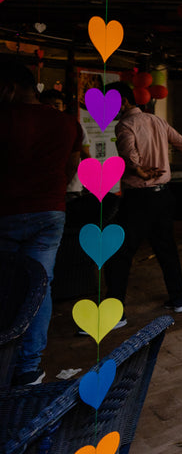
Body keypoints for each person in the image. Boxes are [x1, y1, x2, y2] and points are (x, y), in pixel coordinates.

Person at [0, 62, 83, 385]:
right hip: (51, 211)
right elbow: (71, 167)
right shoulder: (66, 123)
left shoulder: (4, 118)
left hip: (6, 212)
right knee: (40, 284)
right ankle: (29, 367)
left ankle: (7, 362)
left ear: (9, 87)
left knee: (7, 286)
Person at [104, 82, 182, 319]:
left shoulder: (125, 125)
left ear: (124, 101)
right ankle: (179, 299)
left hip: (139, 198)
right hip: (164, 196)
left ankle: (115, 314)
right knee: (166, 247)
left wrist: (140, 171)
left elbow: (129, 156)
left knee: (119, 252)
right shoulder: (157, 121)